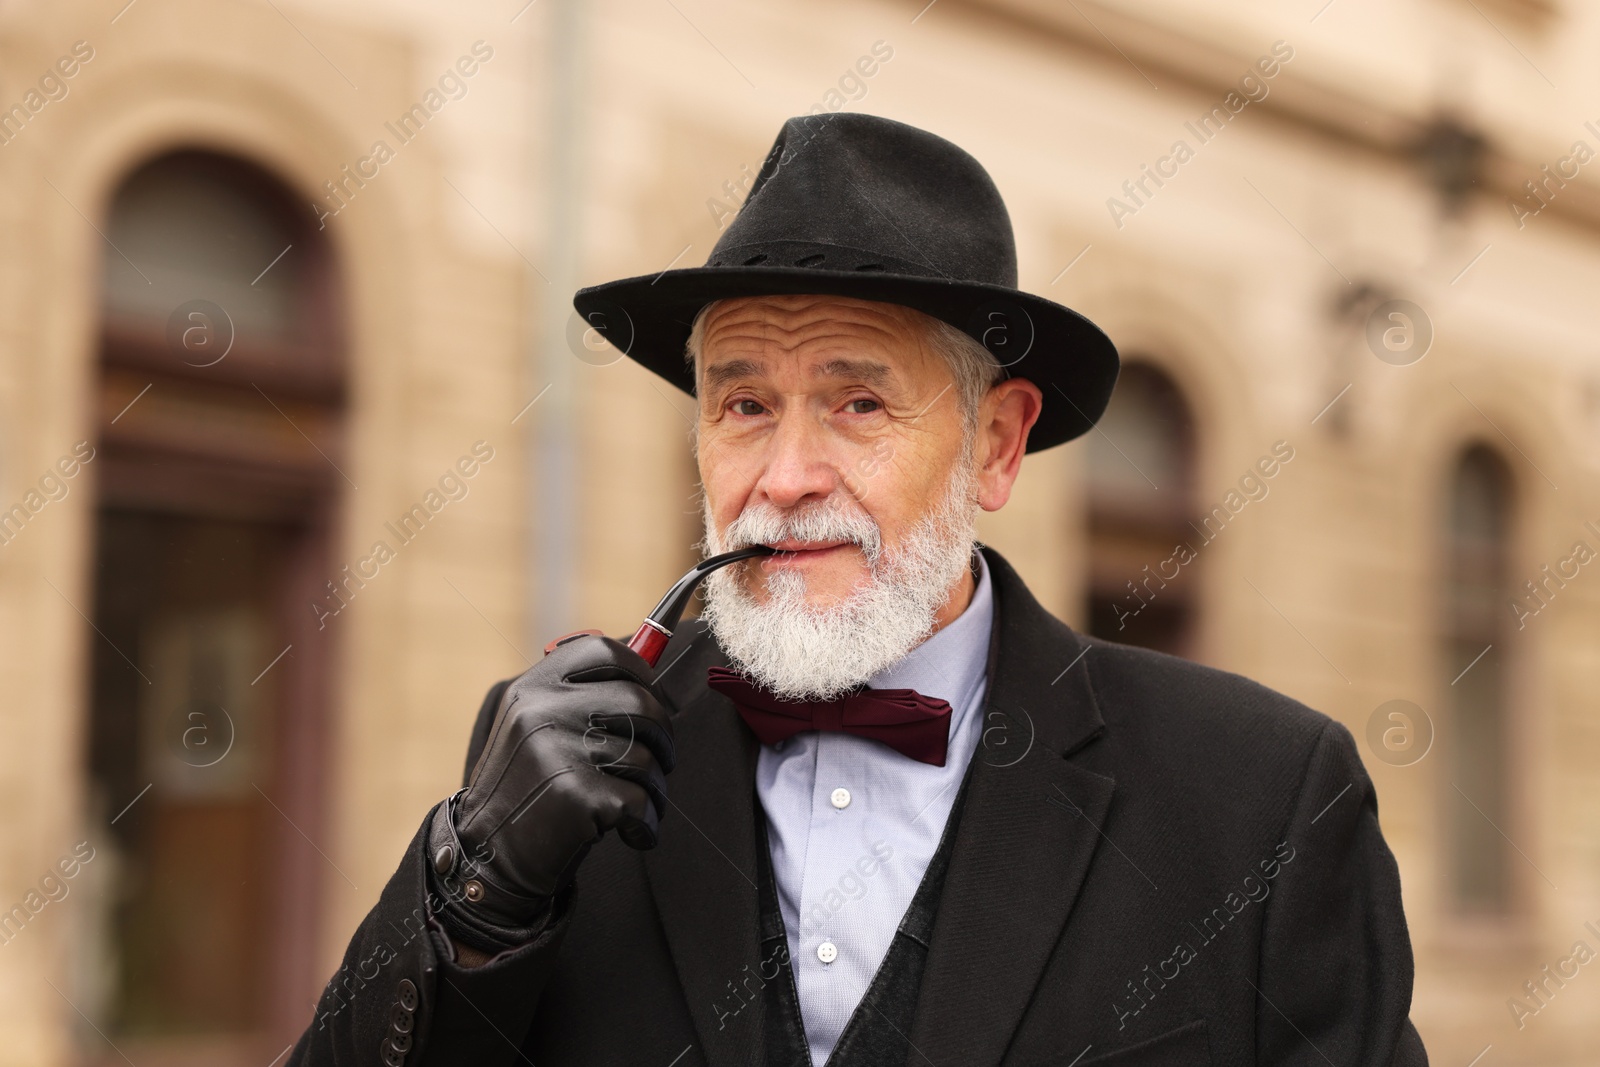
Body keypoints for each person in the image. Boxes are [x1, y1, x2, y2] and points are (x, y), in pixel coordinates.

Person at [290, 113, 1427, 1067]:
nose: (782, 480)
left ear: (995, 442)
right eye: (741, 405)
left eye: (859, 404)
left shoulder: (1262, 796)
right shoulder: (557, 761)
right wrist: (475, 884)